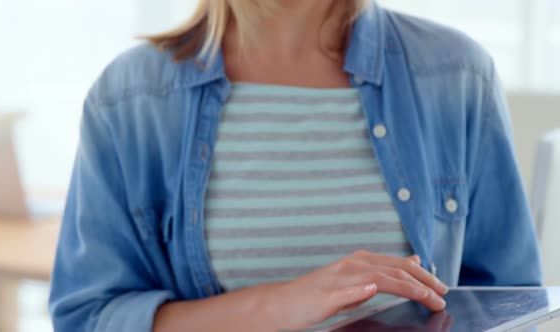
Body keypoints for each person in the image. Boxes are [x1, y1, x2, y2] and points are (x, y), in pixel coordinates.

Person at [49, 0, 542, 331]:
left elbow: (512, 302)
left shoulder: (455, 74)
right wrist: (281, 304)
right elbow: (90, 315)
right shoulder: (129, 99)